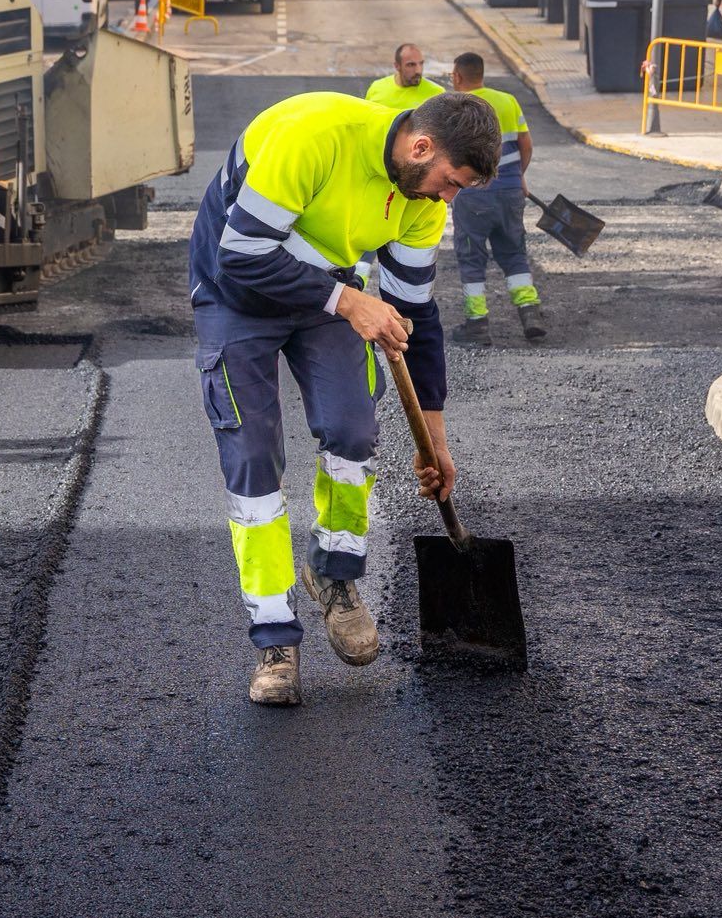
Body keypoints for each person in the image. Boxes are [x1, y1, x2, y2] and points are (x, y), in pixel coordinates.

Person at [190, 89, 502, 706]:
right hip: (235, 293)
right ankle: (275, 639)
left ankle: (334, 576)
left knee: (353, 429)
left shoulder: (422, 202)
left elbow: (415, 316)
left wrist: (435, 443)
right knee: (254, 459)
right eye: (449, 182)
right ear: (421, 147)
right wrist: (353, 301)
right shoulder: (313, 136)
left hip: (324, 295)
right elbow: (241, 257)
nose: (449, 198)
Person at [447, 51, 543, 345]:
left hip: (473, 194)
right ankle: (530, 312)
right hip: (511, 190)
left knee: (471, 257)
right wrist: (518, 177)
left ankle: (477, 324)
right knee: (514, 252)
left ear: (458, 76)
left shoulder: (458, 107)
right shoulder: (508, 101)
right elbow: (526, 145)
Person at [364, 43, 445, 110]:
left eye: (421, 63)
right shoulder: (377, 88)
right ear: (397, 66)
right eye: (411, 65)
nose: (418, 71)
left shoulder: (437, 94)